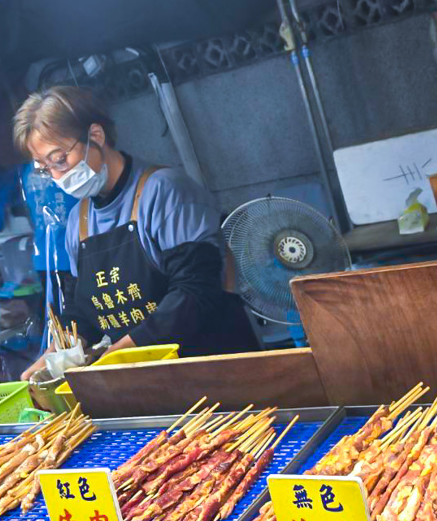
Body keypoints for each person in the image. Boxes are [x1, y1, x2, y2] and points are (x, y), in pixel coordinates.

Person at [13, 87, 256, 379]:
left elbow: (195, 291)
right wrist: (57, 353)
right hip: (147, 385)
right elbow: (83, 310)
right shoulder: (78, 221)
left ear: (96, 136)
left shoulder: (164, 192)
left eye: (60, 159)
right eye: (44, 168)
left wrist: (120, 353)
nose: (56, 176)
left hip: (217, 371)